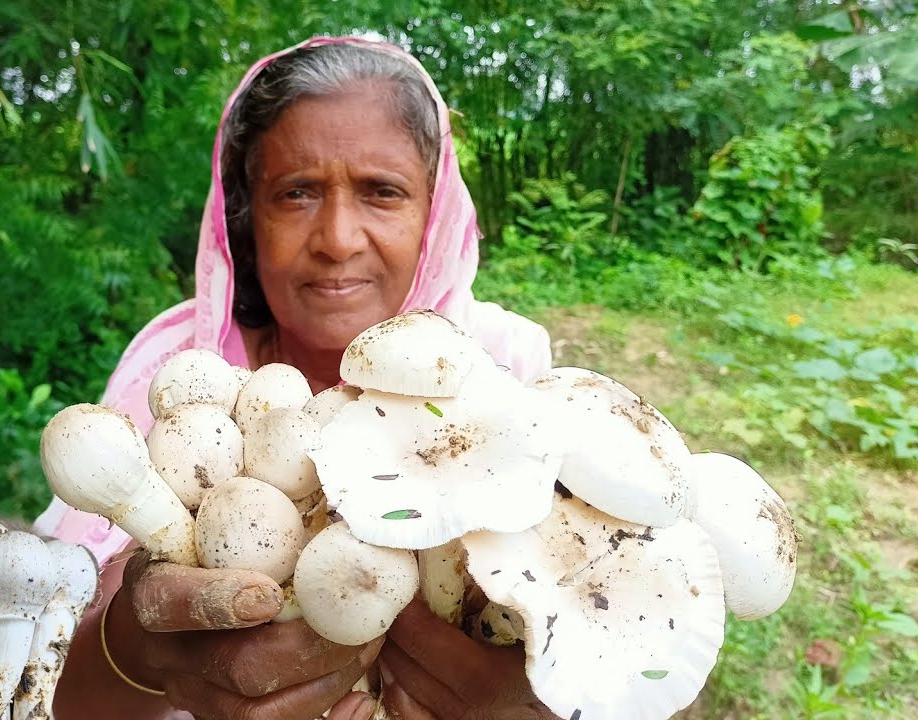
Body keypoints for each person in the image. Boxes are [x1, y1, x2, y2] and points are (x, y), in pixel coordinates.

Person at [40, 36, 558, 720]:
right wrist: (134, 651)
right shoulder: (182, 368)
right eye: (297, 193)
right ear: (247, 218)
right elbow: (52, 676)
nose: (339, 238)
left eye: (382, 191)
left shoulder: (502, 369)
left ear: (434, 212)